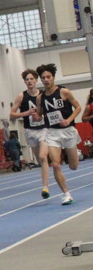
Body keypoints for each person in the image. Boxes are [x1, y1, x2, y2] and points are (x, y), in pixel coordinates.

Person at [37, 63, 80, 205]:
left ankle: (75, 155)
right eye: (43, 78)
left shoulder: (64, 92)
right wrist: (36, 117)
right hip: (52, 133)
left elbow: (78, 107)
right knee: (55, 164)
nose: (46, 80)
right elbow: (39, 114)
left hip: (68, 131)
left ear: (53, 77)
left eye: (48, 77)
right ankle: (66, 194)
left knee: (74, 166)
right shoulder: (40, 98)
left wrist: (69, 120)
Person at [9, 69, 49, 193]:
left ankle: (45, 187)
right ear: (24, 82)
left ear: (36, 80)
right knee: (40, 160)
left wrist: (41, 116)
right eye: (27, 79)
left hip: (43, 129)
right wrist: (26, 113)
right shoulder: (22, 96)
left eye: (32, 79)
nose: (29, 81)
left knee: (43, 157)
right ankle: (46, 173)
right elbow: (12, 114)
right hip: (30, 131)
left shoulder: (43, 94)